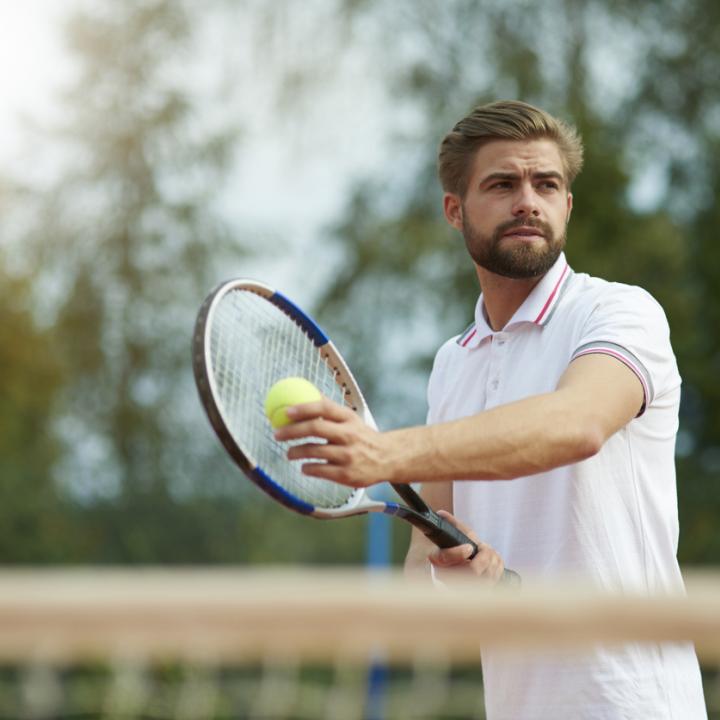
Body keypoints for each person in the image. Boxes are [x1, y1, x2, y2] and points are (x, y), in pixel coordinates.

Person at [274, 100, 707, 719]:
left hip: (636, 704)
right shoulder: (454, 361)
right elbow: (425, 566)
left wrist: (384, 452)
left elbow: (577, 424)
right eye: (503, 184)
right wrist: (459, 579)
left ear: (567, 207)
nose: (528, 200)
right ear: (456, 211)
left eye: (546, 184)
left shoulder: (619, 313)